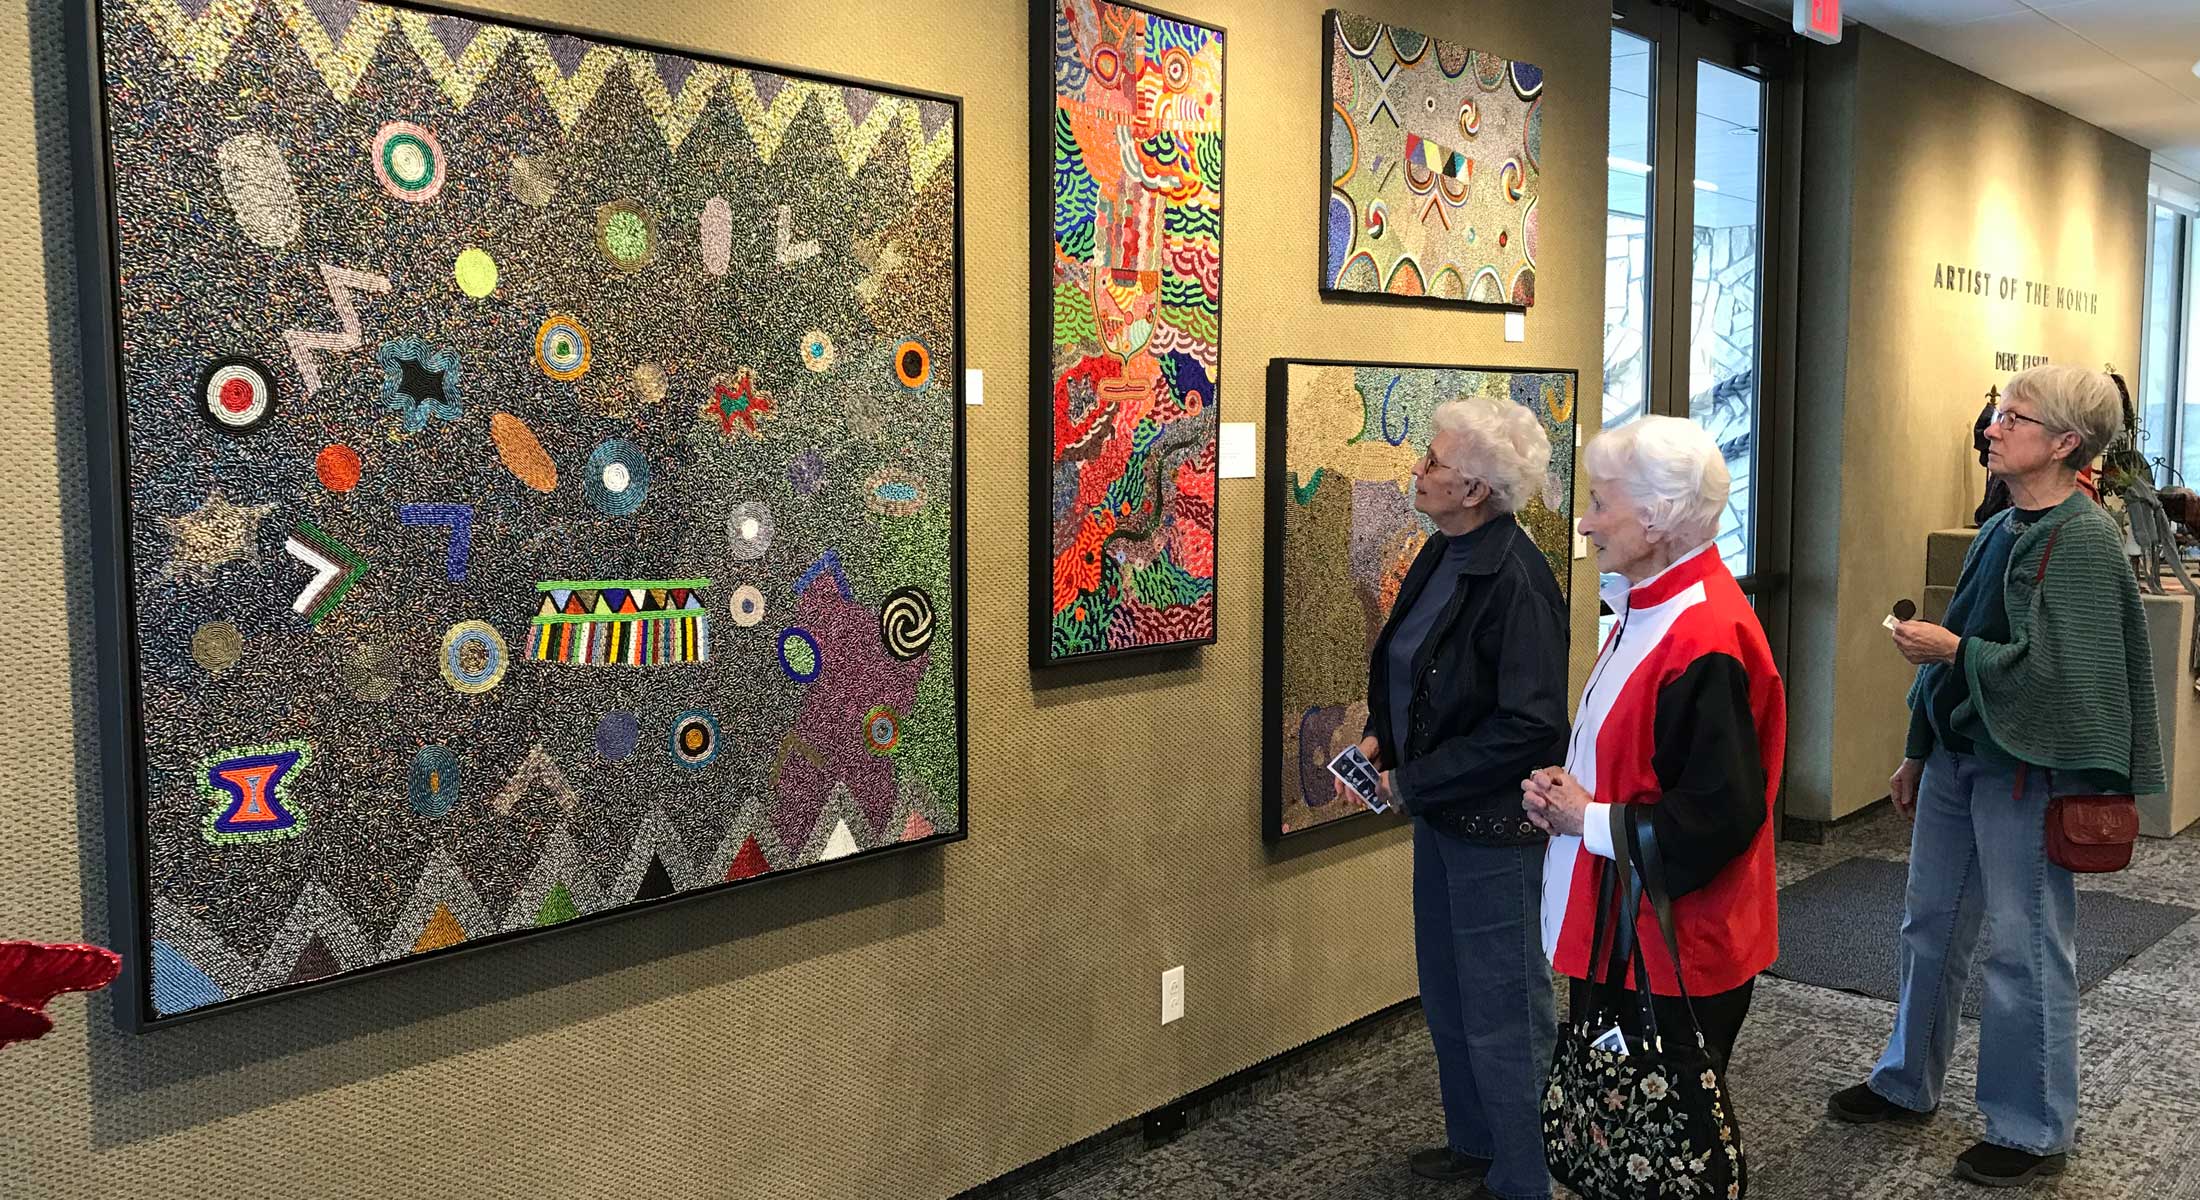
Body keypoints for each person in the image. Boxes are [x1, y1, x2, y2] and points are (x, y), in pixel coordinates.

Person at [1827, 364, 2163, 1188]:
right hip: (1958, 762)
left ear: (2064, 442)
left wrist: (1952, 652)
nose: (1993, 427)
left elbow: (2068, 681)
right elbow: (1966, 648)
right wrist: (1915, 748)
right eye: (1998, 414)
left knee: (2022, 948)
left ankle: (2030, 1126)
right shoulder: (2001, 528)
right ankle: (1907, 1080)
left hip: (2028, 773)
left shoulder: (2084, 542)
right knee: (1927, 925)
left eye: (2015, 417)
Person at [1348, 394, 1568, 1200]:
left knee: (1506, 1006)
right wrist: (1382, 740)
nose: (1421, 469)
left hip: (1496, 827)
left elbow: (1530, 727)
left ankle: (1527, 1175)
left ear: (1477, 489)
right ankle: (1477, 1141)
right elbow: (1413, 673)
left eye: (1435, 462)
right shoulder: (1445, 550)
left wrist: (1413, 778)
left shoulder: (1519, 583)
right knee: (1447, 990)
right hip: (1443, 815)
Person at [1521, 415, 1785, 1075]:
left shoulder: (1703, 636)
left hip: (1672, 948)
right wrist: (1572, 787)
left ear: (1657, 518)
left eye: (1600, 504)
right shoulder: (1650, 608)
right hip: (1628, 931)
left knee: (1667, 1149)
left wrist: (1586, 818)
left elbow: (1719, 815)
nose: (1585, 524)